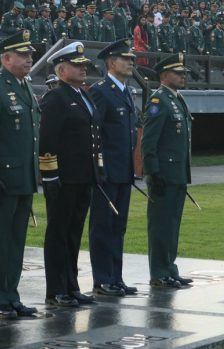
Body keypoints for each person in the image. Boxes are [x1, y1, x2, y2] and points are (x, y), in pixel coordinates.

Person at [0, 30, 40, 320]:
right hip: (3, 179)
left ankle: (11, 295)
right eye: (23, 55)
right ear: (6, 57)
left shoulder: (24, 86)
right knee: (0, 241)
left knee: (16, 241)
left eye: (30, 55)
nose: (29, 59)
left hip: (24, 178)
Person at [40, 42, 104, 307]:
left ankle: (72, 284)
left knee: (74, 232)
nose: (82, 70)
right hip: (64, 178)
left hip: (83, 177)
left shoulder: (83, 95)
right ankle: (56, 289)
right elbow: (47, 140)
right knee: (58, 232)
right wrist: (50, 176)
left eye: (84, 66)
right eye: (77, 66)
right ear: (61, 69)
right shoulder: (57, 97)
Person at [88, 39, 139, 298]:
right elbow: (94, 133)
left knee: (118, 227)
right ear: (110, 62)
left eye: (131, 59)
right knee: (103, 226)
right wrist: (99, 169)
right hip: (106, 172)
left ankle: (116, 277)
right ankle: (102, 279)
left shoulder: (125, 90)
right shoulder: (101, 90)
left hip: (123, 171)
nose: (131, 62)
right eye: (125, 58)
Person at [141, 53, 193, 289]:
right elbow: (149, 142)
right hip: (164, 174)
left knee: (172, 223)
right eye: (178, 72)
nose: (183, 76)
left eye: (183, 73)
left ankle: (170, 269)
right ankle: (159, 272)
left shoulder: (176, 99)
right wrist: (154, 172)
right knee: (161, 224)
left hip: (177, 173)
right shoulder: (158, 101)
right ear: (163, 75)